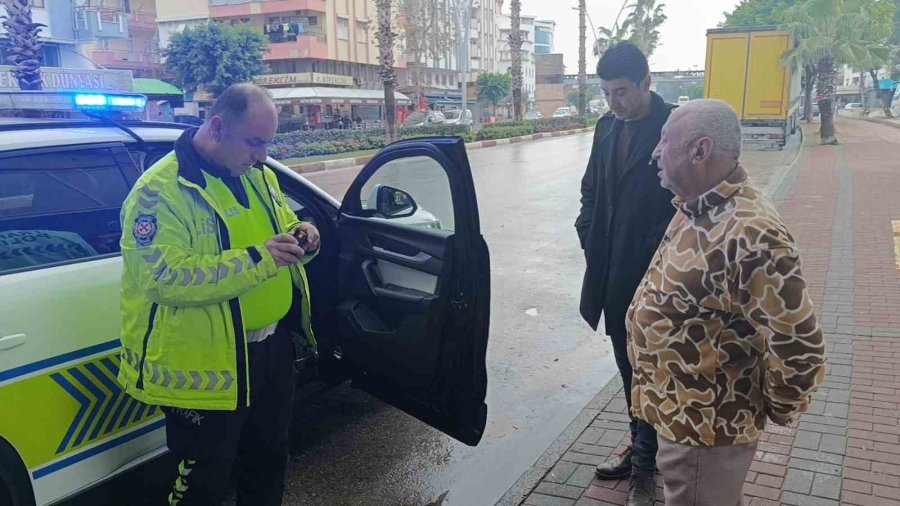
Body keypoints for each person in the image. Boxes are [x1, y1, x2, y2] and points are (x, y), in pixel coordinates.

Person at [118, 83, 321, 506]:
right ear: (215, 127)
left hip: (271, 352)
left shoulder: (257, 175)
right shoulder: (158, 193)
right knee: (203, 482)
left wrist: (305, 236)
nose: (262, 155)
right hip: (208, 367)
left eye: (267, 144)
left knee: (267, 463)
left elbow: (282, 225)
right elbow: (166, 276)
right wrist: (261, 259)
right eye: (254, 142)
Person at [630, 99, 826, 505]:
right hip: (682, 418)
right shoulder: (699, 205)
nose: (655, 152)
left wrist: (764, 407)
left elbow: (800, 348)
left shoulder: (753, 234)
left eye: (665, 141)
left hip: (706, 431)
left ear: (699, 151)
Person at [574, 42, 675, 505]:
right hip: (613, 277)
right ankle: (638, 447)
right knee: (627, 369)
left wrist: (663, 259)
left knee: (651, 372)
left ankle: (645, 470)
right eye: (607, 92)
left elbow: (686, 202)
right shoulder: (606, 129)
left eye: (621, 92)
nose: (613, 102)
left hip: (659, 279)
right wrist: (589, 234)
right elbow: (591, 190)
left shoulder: (674, 127)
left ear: (645, 82)